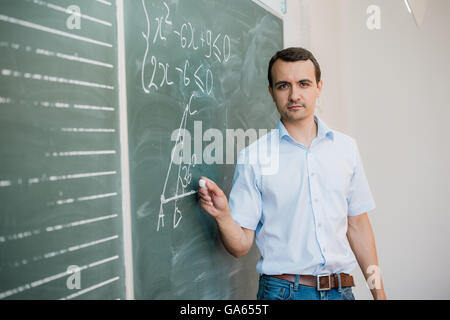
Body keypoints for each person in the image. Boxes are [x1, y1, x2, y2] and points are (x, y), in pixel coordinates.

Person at [197, 47, 386, 300]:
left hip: (341, 292)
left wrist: (380, 295)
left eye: (304, 84)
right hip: (283, 293)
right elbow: (240, 246)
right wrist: (222, 216)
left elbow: (359, 227)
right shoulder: (254, 157)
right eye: (283, 86)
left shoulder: (346, 149)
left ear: (319, 87)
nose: (294, 95)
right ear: (271, 92)